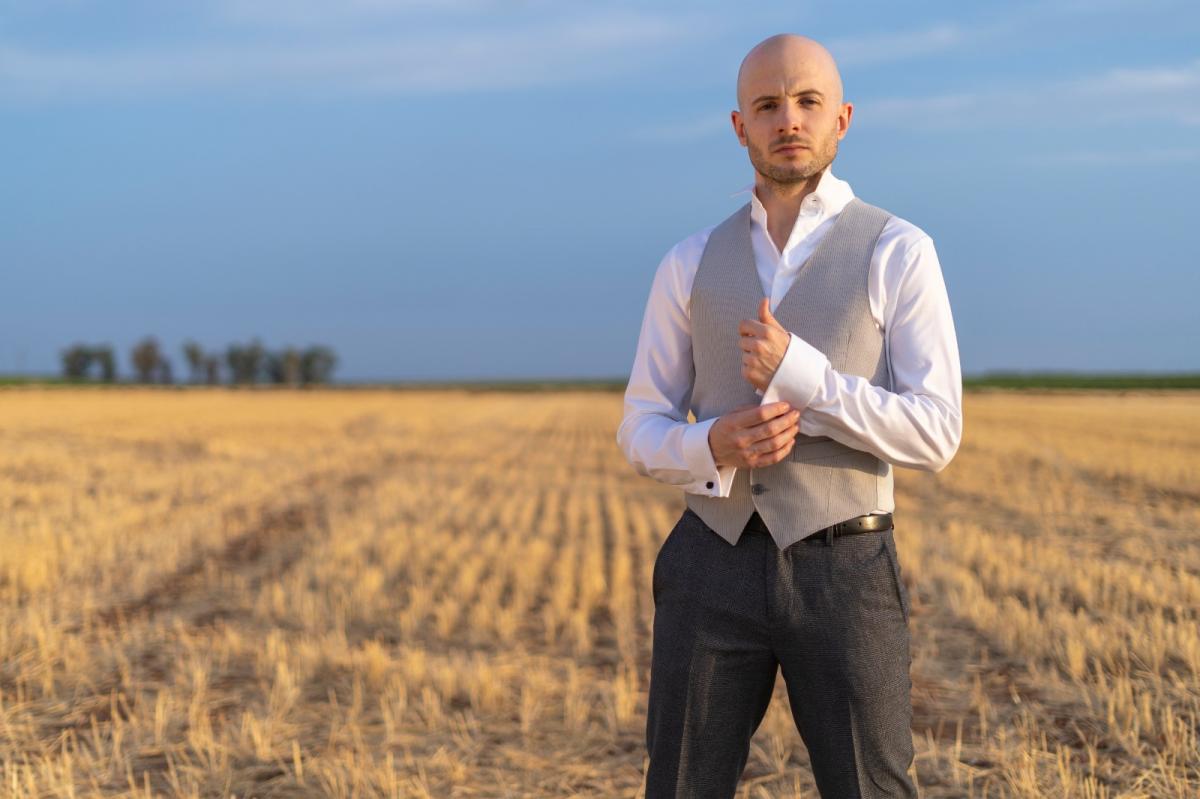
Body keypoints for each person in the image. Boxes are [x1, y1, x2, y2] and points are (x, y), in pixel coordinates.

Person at [616, 33, 963, 798]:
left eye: (808, 102)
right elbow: (639, 426)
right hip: (708, 561)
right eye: (767, 105)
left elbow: (938, 431)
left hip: (847, 568)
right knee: (678, 785)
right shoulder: (687, 262)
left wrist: (804, 378)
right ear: (739, 126)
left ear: (842, 119)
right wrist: (712, 441)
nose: (789, 120)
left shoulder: (899, 250)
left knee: (870, 788)